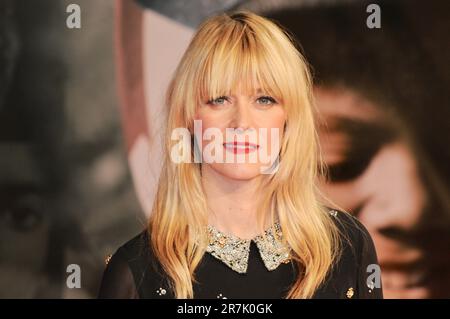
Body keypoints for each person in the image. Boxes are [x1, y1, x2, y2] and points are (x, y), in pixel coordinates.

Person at [98, 10, 382, 299]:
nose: (242, 123)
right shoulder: (137, 269)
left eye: (264, 99)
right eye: (219, 99)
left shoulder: (347, 248)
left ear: (289, 119)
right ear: (188, 119)